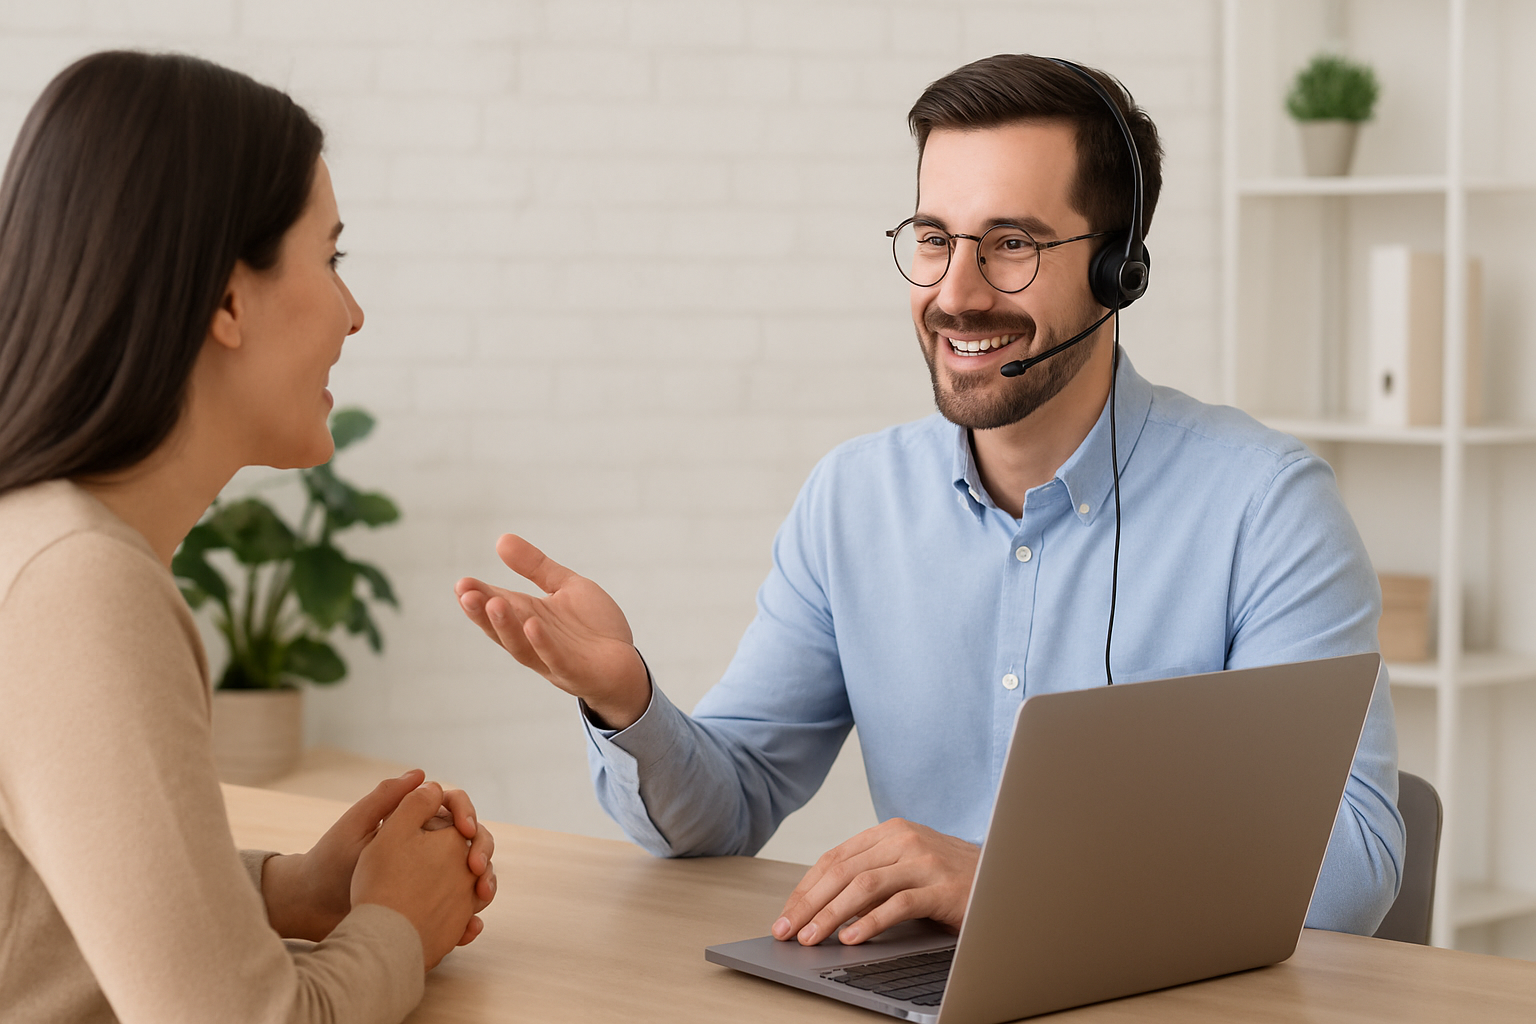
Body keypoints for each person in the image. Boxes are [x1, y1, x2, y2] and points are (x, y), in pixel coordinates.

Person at [455, 54, 1404, 947]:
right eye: (936, 239)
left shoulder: (1266, 507)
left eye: (1013, 244)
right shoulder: (853, 501)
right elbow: (729, 806)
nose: (956, 293)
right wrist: (629, 706)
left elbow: (1354, 868)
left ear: (1121, 270)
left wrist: (1011, 882)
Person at [0, 52, 496, 1022]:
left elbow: (42, 903)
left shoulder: (37, 542)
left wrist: (289, 891)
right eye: (333, 258)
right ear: (228, 300)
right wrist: (396, 920)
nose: (354, 314)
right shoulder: (80, 583)